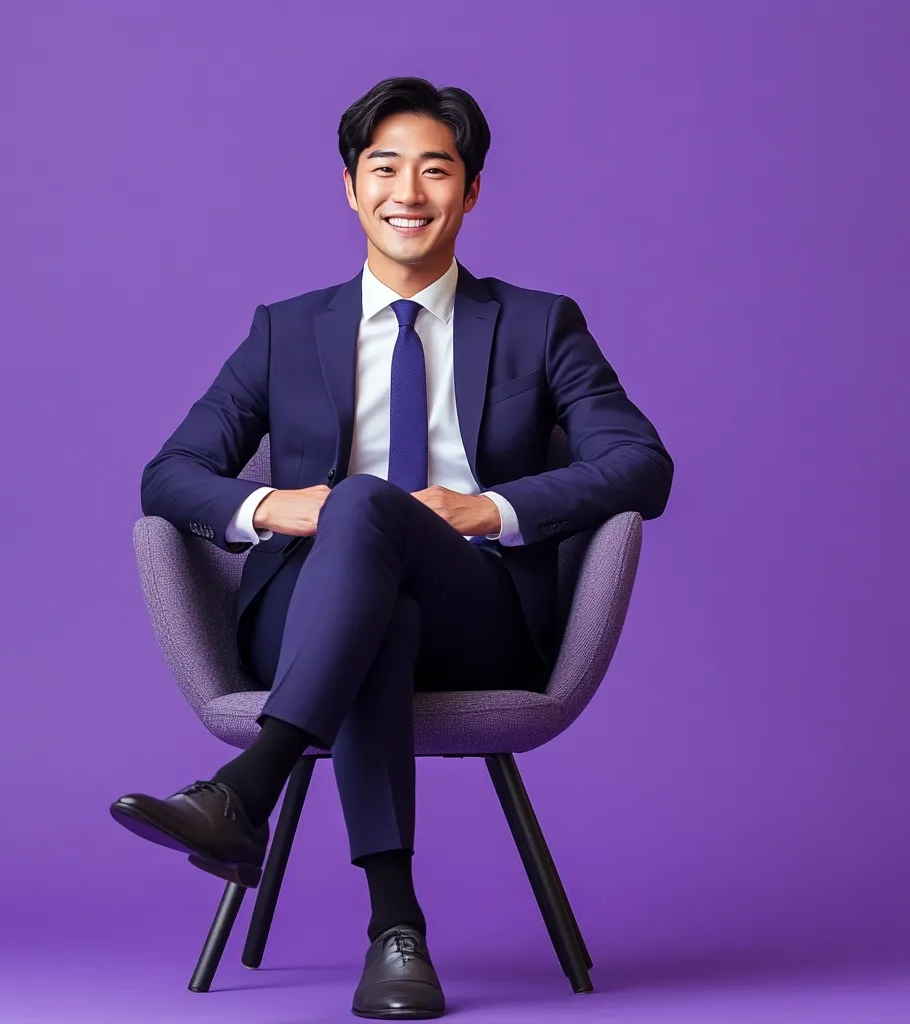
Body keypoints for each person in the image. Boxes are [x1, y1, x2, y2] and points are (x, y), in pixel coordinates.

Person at [110, 76, 673, 1020]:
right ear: (349, 187)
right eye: (385, 168)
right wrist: (273, 505)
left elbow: (640, 465)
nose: (408, 192)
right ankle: (395, 929)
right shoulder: (286, 331)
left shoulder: (540, 325)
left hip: (481, 611)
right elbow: (170, 474)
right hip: (309, 613)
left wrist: (486, 509)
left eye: (435, 170)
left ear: (472, 190)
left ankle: (244, 792)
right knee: (377, 597)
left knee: (373, 521)